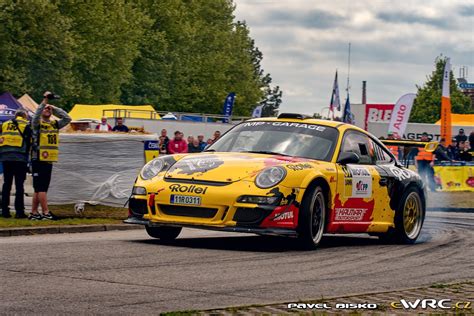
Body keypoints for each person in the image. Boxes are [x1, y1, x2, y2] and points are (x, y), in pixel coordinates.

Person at [29, 92, 71, 220]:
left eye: (48, 110)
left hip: (49, 159)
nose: (47, 110)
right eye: (45, 109)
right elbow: (35, 115)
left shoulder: (54, 124)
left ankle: (34, 213)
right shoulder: (37, 124)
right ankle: (46, 212)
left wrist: (54, 108)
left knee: (38, 189)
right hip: (38, 158)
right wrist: (44, 102)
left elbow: (67, 118)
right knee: (42, 188)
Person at [0, 110, 32, 218]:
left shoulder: (4, 124)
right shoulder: (26, 126)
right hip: (20, 159)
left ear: (15, 116)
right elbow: (29, 143)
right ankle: (19, 212)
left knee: (6, 185)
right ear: (24, 116)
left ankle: (4, 211)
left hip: (5, 158)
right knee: (19, 186)